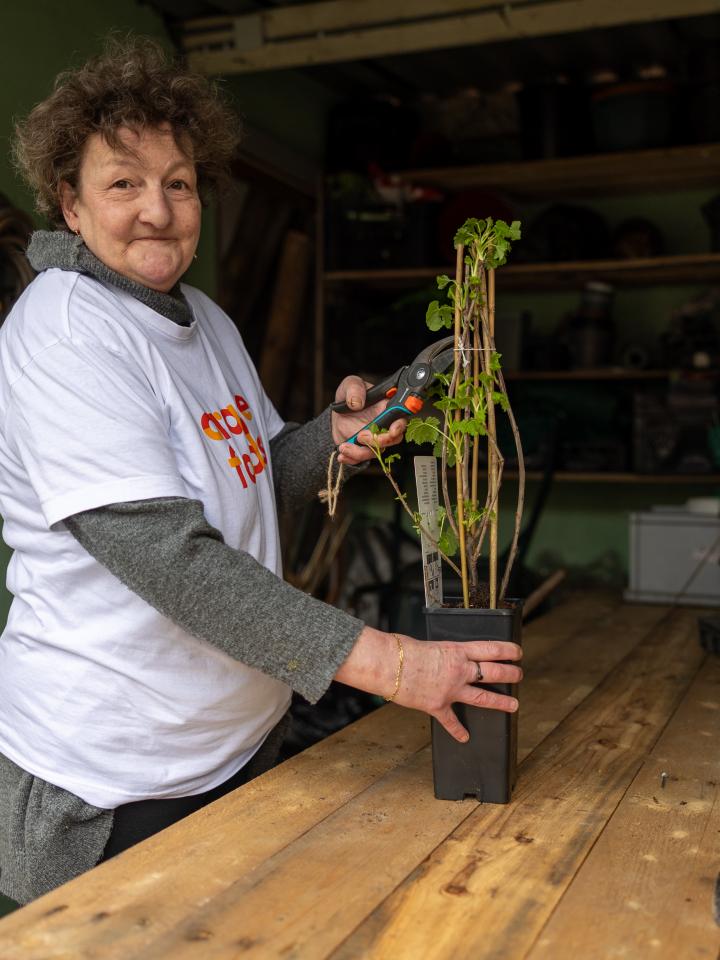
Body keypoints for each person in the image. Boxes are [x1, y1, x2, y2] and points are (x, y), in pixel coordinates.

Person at [0, 37, 522, 905]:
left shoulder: (204, 319)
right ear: (71, 204)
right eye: (123, 184)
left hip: (237, 748)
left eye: (178, 182)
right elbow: (174, 560)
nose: (158, 210)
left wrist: (333, 438)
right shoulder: (66, 332)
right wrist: (397, 666)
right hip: (115, 784)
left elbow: (252, 483)